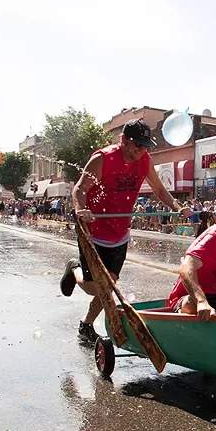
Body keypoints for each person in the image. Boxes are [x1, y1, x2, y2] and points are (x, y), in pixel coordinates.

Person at [60, 118, 190, 343]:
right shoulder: (103, 159)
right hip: (93, 231)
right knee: (95, 288)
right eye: (138, 144)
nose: (142, 150)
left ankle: (86, 326)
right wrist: (81, 208)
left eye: (145, 145)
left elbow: (159, 189)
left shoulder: (145, 161)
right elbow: (80, 189)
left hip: (119, 233)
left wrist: (177, 207)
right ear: (123, 140)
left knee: (108, 285)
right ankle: (74, 269)